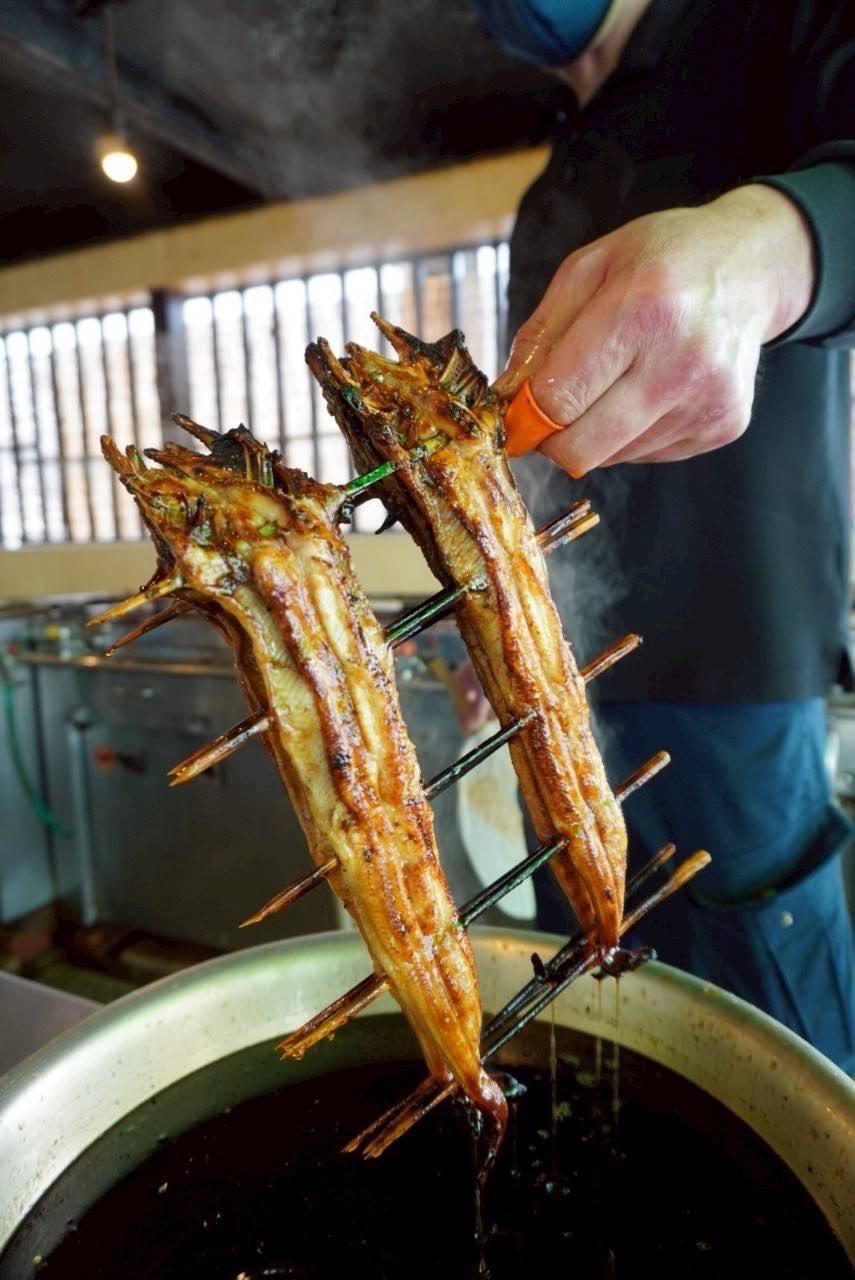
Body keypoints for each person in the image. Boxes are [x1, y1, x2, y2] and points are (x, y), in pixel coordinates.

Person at [470, 0, 855, 1070]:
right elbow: (534, 451)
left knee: (770, 1032)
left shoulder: (767, 30)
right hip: (559, 672)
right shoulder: (550, 185)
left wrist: (764, 251)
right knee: (589, 1005)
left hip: (733, 661)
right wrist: (498, 625)